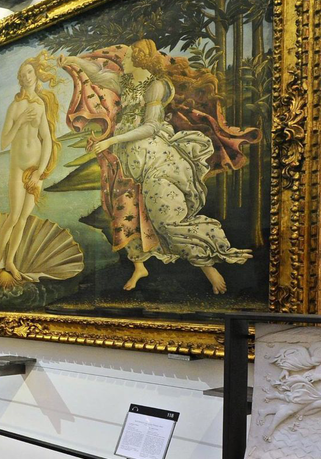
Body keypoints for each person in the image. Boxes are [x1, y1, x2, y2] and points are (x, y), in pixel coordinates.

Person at [61, 40, 259, 293]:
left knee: (167, 219)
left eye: (129, 57)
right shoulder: (126, 82)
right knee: (125, 212)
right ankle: (140, 266)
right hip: (130, 161)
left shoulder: (155, 86)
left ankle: (209, 267)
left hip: (156, 159)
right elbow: (98, 75)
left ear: (140, 60)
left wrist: (112, 140)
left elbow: (151, 127)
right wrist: (73, 61)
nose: (123, 61)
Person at [0, 51, 62, 281]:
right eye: (23, 75)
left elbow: (47, 140)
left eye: (30, 72)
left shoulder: (40, 105)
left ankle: (10, 262)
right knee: (13, 216)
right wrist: (20, 121)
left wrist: (40, 172)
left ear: (36, 74)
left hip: (35, 169)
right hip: (18, 167)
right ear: (20, 80)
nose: (27, 77)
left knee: (23, 218)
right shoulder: (14, 107)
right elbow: (4, 142)